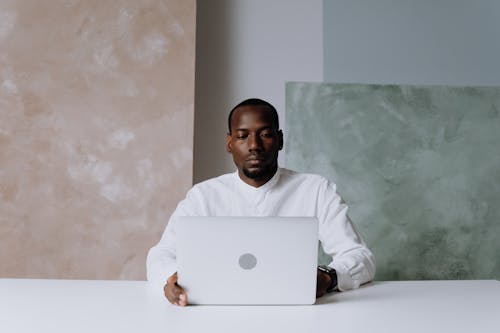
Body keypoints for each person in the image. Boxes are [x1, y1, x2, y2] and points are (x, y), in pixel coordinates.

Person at [147, 98, 375, 306]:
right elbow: (161, 255)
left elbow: (360, 256)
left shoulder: (315, 190)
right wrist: (172, 278)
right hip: (216, 312)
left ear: (280, 140)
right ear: (229, 143)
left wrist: (327, 277)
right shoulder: (203, 196)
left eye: (265, 134)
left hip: (297, 314)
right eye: (242, 136)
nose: (254, 145)